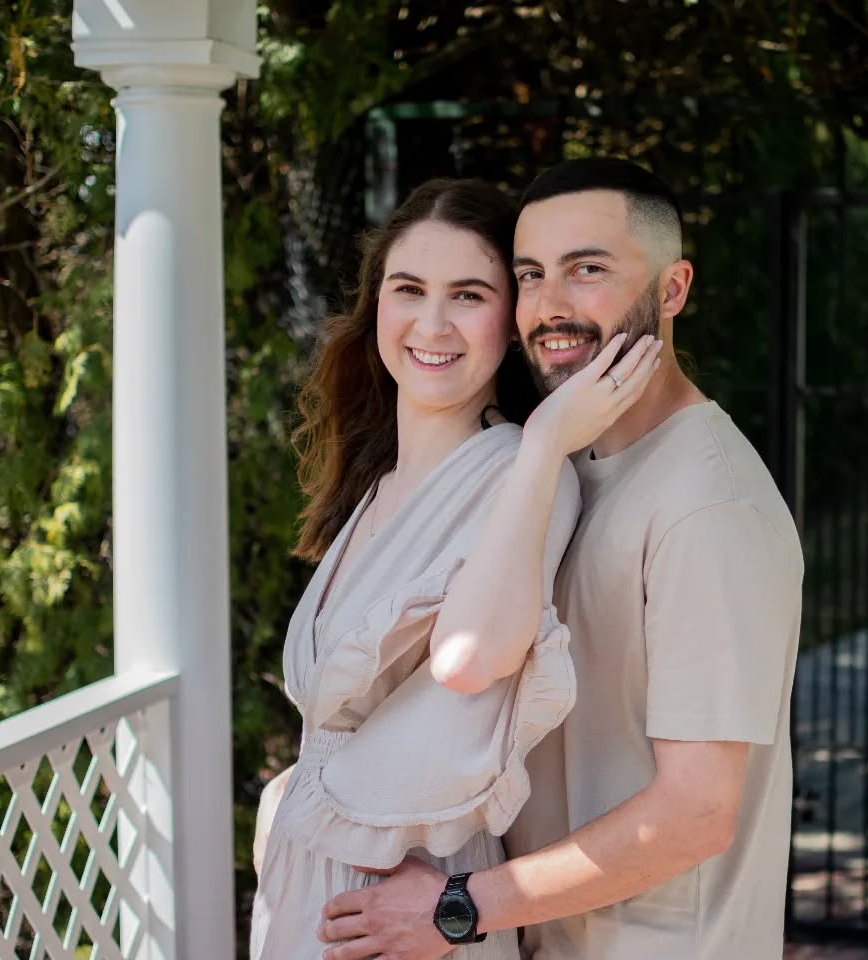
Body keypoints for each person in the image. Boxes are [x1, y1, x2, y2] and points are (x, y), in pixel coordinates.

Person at [316, 159, 805, 960]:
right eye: (531, 275)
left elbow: (696, 812)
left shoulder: (709, 508)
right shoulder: (563, 464)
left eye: (588, 270)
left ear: (673, 289)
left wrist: (455, 908)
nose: (551, 306)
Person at [250, 177, 663, 960]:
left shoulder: (521, 471)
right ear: (377, 303)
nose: (432, 323)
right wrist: (284, 806)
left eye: (468, 295)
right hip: (312, 883)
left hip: (407, 904)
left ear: (511, 324)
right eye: (409, 289)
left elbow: (472, 659)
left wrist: (546, 441)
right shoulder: (373, 484)